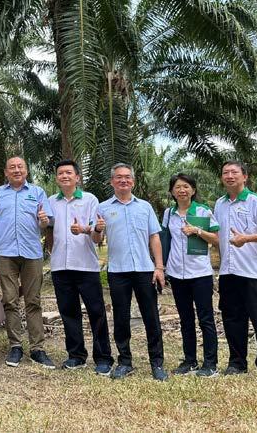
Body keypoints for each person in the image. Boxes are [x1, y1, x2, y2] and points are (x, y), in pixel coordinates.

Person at [94, 163, 167, 381]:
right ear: (112, 182)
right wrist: (97, 229)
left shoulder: (144, 207)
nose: (123, 180)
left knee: (151, 317)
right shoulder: (103, 208)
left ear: (133, 182)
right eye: (118, 177)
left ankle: (157, 363)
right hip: (118, 271)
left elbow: (154, 237)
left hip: (145, 270)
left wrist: (159, 267)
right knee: (121, 318)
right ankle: (125, 362)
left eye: (127, 177)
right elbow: (96, 239)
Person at [0, 156, 55, 369]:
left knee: (33, 301)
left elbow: (46, 222)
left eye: (20, 167)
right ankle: (15, 346)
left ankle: (37, 349)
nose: (16, 170)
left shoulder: (37, 192)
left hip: (32, 253)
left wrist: (44, 220)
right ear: (6, 172)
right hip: (5, 254)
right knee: (10, 300)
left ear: (26, 170)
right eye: (12, 167)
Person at [45, 160, 114, 374]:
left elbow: (96, 235)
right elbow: (46, 229)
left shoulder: (90, 200)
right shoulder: (51, 202)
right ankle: (76, 356)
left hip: (86, 266)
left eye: (69, 172)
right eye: (60, 173)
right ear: (57, 178)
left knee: (96, 312)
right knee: (68, 312)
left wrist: (85, 229)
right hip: (60, 266)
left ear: (77, 177)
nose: (64, 176)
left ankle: (103, 358)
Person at [214, 160, 257, 379]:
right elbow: (218, 236)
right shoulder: (220, 204)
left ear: (245, 176)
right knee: (232, 319)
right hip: (228, 272)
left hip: (255, 273)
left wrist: (247, 238)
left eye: (234, 172)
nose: (229, 176)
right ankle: (237, 363)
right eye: (225, 172)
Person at [162, 173, 219, 377]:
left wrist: (197, 231)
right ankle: (190, 360)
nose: (182, 190)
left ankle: (210, 363)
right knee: (185, 319)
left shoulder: (203, 211)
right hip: (177, 274)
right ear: (172, 191)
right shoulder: (168, 214)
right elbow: (165, 240)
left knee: (206, 319)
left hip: (200, 273)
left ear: (193, 190)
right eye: (177, 187)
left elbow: (217, 239)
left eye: (186, 186)